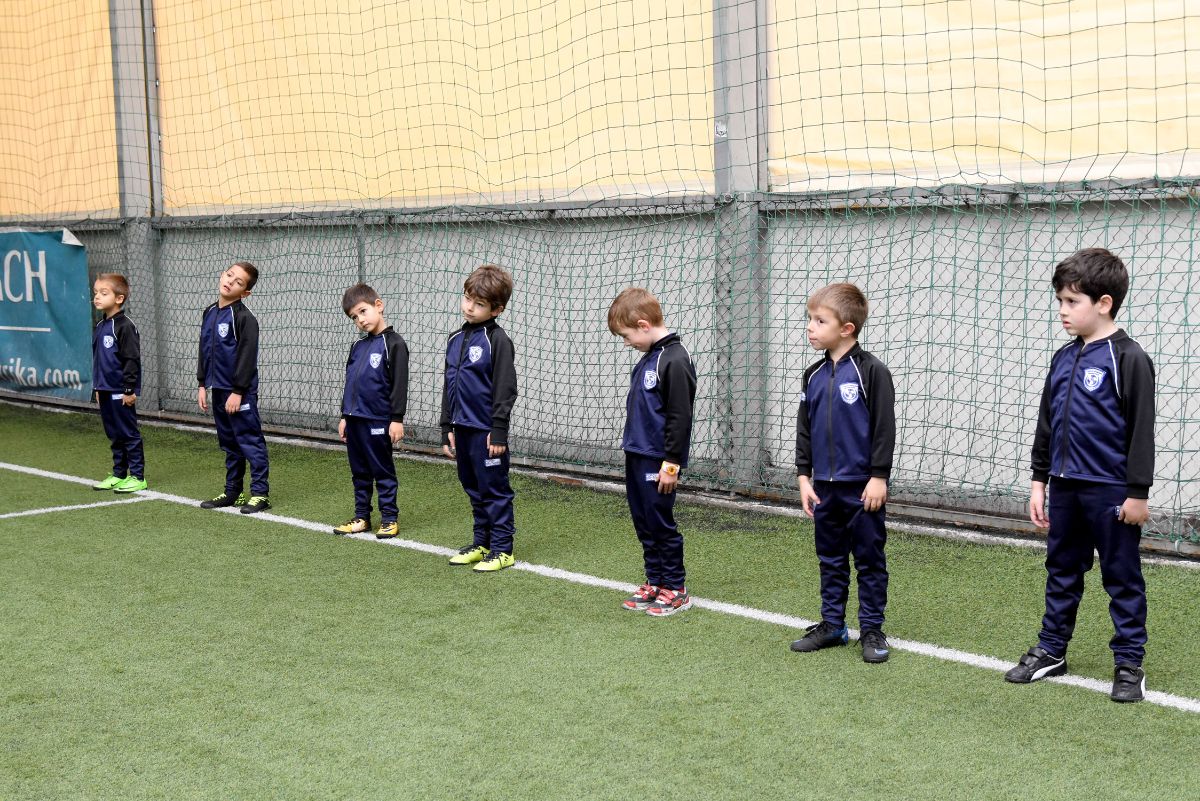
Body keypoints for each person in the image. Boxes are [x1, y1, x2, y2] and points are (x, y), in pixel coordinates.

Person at [1005, 248, 1155, 703]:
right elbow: (1047, 422)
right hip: (1064, 486)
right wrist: (1039, 480)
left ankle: (1129, 663)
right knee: (1062, 570)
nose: (1063, 310)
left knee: (1121, 576)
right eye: (1060, 301)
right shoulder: (1063, 357)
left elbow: (1141, 430)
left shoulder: (1128, 357)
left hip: (1111, 490)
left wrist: (1137, 493)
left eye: (1072, 301)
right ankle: (1052, 649)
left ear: (1104, 303)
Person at [791, 282, 896, 662]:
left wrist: (878, 477)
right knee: (830, 558)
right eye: (810, 319)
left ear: (847, 328)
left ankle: (871, 630)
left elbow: (884, 428)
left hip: (862, 488)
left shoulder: (872, 372)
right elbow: (805, 428)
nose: (810, 327)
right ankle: (833, 624)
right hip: (824, 488)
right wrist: (804, 477)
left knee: (869, 560)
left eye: (820, 321)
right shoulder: (813, 375)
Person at [608, 287, 698, 617]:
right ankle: (655, 581)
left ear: (644, 325)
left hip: (659, 460)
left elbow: (680, 417)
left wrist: (671, 464)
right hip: (637, 453)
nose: (626, 342)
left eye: (627, 335)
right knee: (643, 521)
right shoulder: (649, 357)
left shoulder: (674, 359)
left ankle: (676, 588)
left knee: (660, 522)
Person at [441, 264, 519, 572]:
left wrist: (498, 430)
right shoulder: (455, 338)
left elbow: (505, 388)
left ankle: (502, 549)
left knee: (494, 490)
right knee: (472, 487)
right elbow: (449, 385)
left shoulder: (497, 340)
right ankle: (482, 543)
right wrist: (447, 426)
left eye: (479, 303)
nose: (469, 307)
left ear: (496, 310)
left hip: (486, 432)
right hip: (461, 429)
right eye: (467, 298)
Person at [333, 283, 409, 539]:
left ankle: (389, 518)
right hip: (354, 420)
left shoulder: (394, 343)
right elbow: (350, 383)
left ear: (379, 305)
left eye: (363, 311)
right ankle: (361, 516)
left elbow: (399, 384)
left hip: (378, 420)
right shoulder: (357, 346)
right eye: (354, 317)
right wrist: (344, 416)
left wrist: (396, 419)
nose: (360, 320)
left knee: (382, 470)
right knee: (359, 472)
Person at [196, 261, 271, 514]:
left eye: (238, 282)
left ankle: (260, 494)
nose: (230, 281)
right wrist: (202, 383)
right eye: (229, 275)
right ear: (222, 275)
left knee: (250, 441)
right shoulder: (209, 312)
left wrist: (238, 391)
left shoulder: (244, 318)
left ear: (245, 292)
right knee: (229, 442)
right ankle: (233, 492)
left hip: (239, 394)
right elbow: (204, 349)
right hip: (217, 390)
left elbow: (247, 358)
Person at [90, 273, 147, 493]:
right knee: (113, 434)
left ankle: (138, 476)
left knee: (128, 433)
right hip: (104, 390)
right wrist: (97, 387)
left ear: (119, 298)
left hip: (121, 391)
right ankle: (119, 474)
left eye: (103, 293)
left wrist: (129, 389)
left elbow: (131, 359)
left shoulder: (125, 326)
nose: (97, 297)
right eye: (95, 292)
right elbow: (99, 360)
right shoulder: (100, 325)